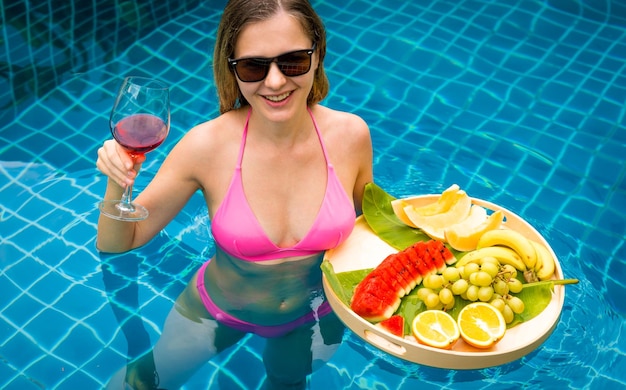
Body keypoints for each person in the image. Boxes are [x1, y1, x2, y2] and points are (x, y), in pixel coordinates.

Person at [96, 0, 373, 388]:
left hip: (314, 314)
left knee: (287, 383)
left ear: (318, 54)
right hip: (214, 312)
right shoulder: (207, 146)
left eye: (292, 61)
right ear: (232, 70)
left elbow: (371, 231)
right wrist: (117, 179)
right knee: (142, 383)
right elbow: (118, 244)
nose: (275, 82)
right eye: (254, 67)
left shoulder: (351, 136)